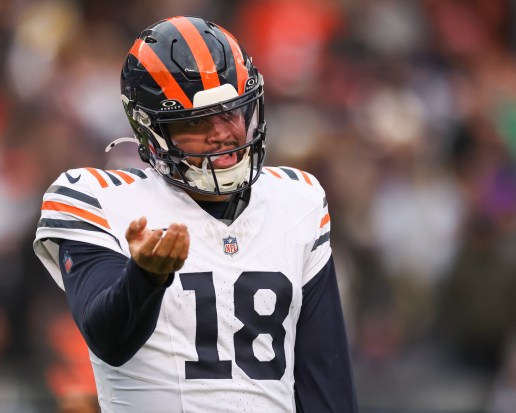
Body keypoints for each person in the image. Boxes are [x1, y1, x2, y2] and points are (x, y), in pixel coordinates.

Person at [34, 16, 357, 413]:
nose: (222, 133)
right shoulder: (96, 199)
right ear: (150, 130)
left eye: (231, 112)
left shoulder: (297, 199)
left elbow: (324, 377)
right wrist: (145, 277)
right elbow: (109, 339)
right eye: (195, 121)